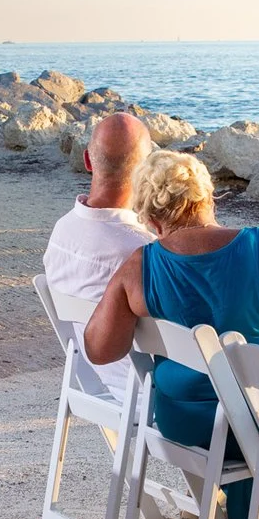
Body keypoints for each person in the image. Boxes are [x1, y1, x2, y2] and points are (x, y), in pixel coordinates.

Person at [83, 151, 259, 519]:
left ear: (153, 220)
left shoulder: (141, 268)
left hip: (199, 428)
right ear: (207, 198)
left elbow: (99, 348)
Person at [44, 113, 157, 400]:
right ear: (146, 170)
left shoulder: (62, 231)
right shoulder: (142, 251)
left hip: (101, 384)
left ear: (87, 160)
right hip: (147, 395)